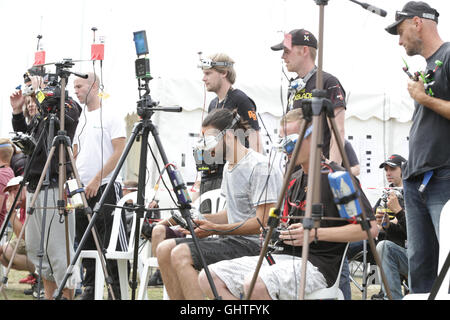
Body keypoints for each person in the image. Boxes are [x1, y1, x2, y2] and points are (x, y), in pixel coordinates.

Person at [198, 109, 378, 300]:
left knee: (256, 283)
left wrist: (314, 234)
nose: (286, 148)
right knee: (209, 277)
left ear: (313, 136)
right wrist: (275, 232)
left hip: (317, 265)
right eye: (282, 140)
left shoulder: (337, 179)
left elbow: (369, 229)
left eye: (291, 140)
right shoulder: (293, 179)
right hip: (282, 257)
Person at [156, 108, 282, 300]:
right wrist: (195, 220)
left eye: (209, 140)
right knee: (164, 250)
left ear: (229, 135)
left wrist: (216, 228)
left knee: (181, 254)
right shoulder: (229, 168)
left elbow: (263, 224)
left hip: (257, 245)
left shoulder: (259, 167)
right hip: (234, 240)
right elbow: (230, 213)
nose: (206, 148)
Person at [385, 1, 450, 294]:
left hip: (442, 176)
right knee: (420, 266)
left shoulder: (448, 56)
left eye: (400, 32)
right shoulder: (427, 67)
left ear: (417, 22)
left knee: (446, 262)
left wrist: (424, 99)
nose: (400, 41)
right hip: (416, 177)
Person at [10, 74, 81, 300]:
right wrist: (17, 113)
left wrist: (43, 94)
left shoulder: (67, 108)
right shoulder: (42, 117)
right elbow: (31, 142)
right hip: (35, 188)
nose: (33, 101)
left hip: (54, 187)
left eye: (37, 94)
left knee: (60, 254)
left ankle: (67, 296)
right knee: (40, 254)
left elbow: (68, 118)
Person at [72, 72, 126, 300]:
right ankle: (91, 288)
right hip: (82, 190)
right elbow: (75, 152)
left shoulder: (111, 114)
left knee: (109, 242)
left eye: (79, 86)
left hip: (105, 187)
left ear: (94, 86)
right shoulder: (81, 118)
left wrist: (96, 179)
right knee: (85, 241)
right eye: (74, 87)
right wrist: (74, 183)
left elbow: (119, 151)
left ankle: (117, 291)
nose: (75, 90)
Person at [197, 53, 262, 214]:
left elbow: (255, 140)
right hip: (210, 175)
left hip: (231, 176)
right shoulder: (213, 103)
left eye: (208, 73)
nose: (204, 78)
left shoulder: (240, 99)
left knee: (223, 226)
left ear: (223, 73)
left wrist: (256, 178)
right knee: (204, 226)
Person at [271, 29, 347, 165]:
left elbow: (338, 131)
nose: (283, 56)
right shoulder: (294, 87)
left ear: (304, 50)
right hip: (294, 171)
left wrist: (333, 169)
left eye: (287, 51)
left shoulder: (328, 82)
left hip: (318, 171)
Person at [373, 155, 409, 300]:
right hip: (393, 247)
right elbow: (373, 217)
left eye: (392, 169)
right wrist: (387, 224)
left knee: (383, 244)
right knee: (382, 245)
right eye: (386, 169)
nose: (388, 173)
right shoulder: (386, 193)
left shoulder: (413, 192)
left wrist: (398, 212)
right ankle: (387, 295)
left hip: (417, 253)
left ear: (403, 170)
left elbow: (415, 232)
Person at [0, 176, 41, 298]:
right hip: (34, 245)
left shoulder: (33, 203)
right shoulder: (22, 208)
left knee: (7, 251)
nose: (12, 194)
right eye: (10, 191)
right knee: (2, 253)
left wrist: (11, 212)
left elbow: (23, 237)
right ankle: (38, 278)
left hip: (44, 249)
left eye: (16, 189)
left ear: (27, 189)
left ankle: (41, 275)